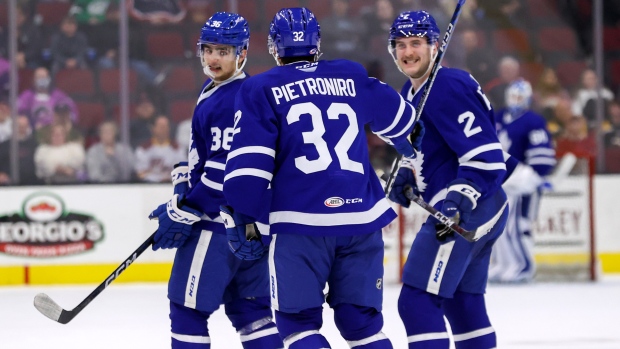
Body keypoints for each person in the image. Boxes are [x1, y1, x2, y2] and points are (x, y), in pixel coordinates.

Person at [221, 7, 422, 349]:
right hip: (362, 219)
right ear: (317, 44)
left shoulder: (260, 88)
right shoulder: (350, 74)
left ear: (274, 47)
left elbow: (246, 172)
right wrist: (405, 137)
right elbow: (404, 123)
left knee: (298, 326)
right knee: (362, 325)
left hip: (300, 224)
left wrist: (241, 215)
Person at [147, 13, 283, 349]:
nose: (212, 58)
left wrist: (188, 206)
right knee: (252, 312)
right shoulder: (241, 90)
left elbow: (224, 172)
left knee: (186, 311)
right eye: (208, 49)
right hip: (253, 227)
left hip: (217, 225)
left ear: (242, 52)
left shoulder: (229, 98)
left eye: (223, 51)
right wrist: (186, 175)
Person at [386, 11, 509, 348]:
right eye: (400, 45)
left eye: (416, 44)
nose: (408, 52)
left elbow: (486, 158)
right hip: (478, 207)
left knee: (415, 302)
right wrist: (408, 173)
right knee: (461, 303)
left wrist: (457, 201)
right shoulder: (413, 91)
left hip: (470, 208)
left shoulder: (447, 86)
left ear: (436, 46)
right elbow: (426, 148)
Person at [488, 79, 556, 283]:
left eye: (520, 97)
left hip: (520, 178)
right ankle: (505, 263)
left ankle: (523, 265)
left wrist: (536, 174)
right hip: (502, 178)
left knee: (517, 225)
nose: (516, 100)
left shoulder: (533, 121)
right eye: (513, 96)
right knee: (498, 225)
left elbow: (541, 154)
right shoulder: (499, 117)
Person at [134, 115, 184, 183]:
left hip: (171, 185)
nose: (163, 129)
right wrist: (158, 179)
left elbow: (181, 171)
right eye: (160, 127)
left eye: (165, 126)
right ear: (152, 128)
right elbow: (140, 173)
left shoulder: (177, 148)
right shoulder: (143, 149)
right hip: (148, 186)